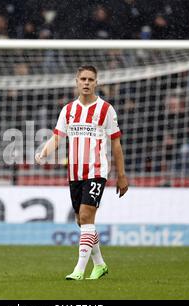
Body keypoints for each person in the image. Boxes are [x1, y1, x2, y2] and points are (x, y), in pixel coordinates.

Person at [35, 65, 128, 280]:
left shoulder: (106, 109)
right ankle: (100, 265)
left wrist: (121, 175)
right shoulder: (68, 110)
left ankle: (78, 270)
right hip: (74, 172)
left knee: (86, 216)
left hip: (97, 171)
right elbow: (58, 137)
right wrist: (43, 152)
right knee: (81, 221)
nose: (86, 83)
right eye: (83, 79)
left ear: (96, 83)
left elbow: (116, 144)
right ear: (76, 81)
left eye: (90, 79)